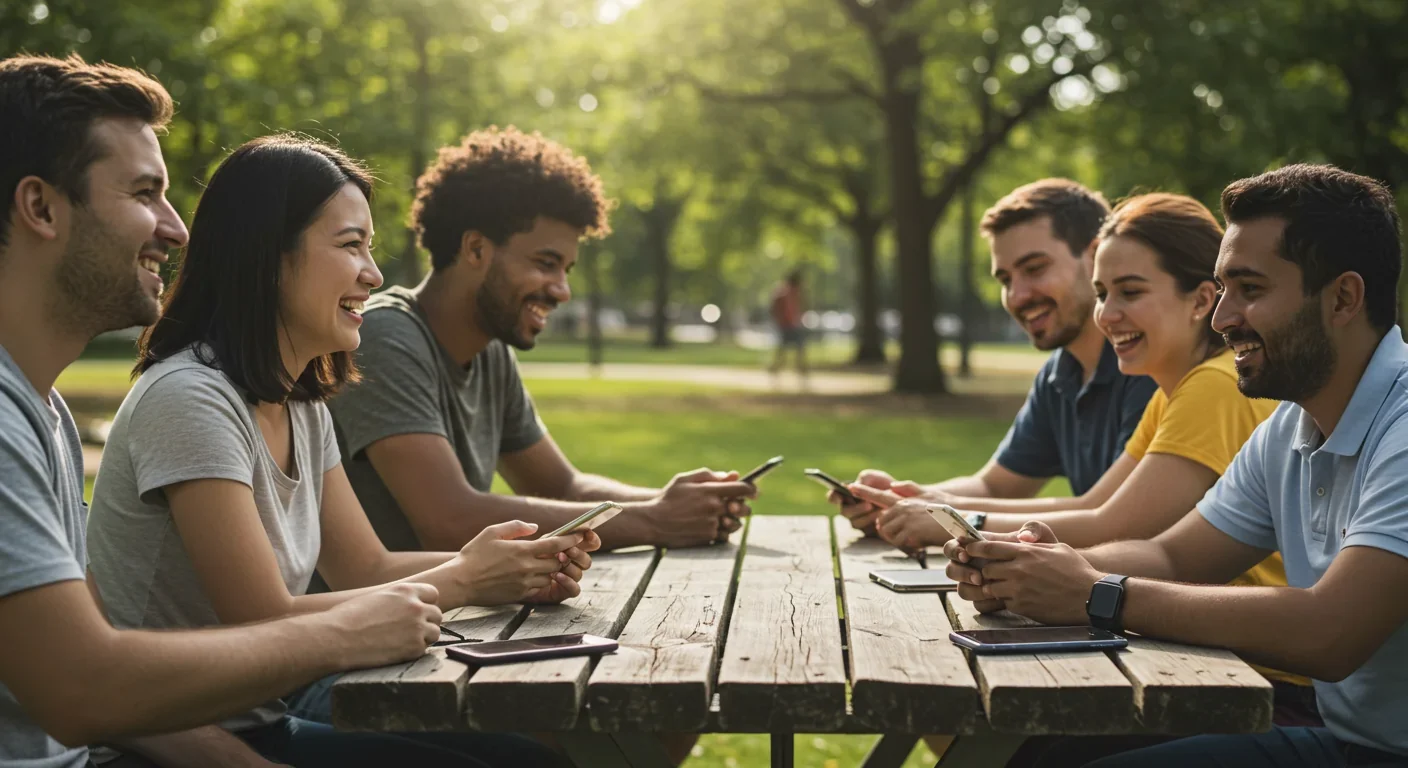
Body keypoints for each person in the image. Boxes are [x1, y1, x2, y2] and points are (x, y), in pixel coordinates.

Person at [84, 134, 594, 767]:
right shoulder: (190, 399)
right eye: (351, 245)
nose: (374, 275)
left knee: (528, 760)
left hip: (259, 720)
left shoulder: (300, 403)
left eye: (371, 249)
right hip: (166, 745)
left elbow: (367, 569)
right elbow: (263, 617)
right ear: (269, 255)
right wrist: (464, 578)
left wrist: (504, 569)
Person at [0, 54, 445, 768]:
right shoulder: (36, 417)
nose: (176, 230)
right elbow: (84, 691)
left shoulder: (40, 412)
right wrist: (348, 632)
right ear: (41, 208)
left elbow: (105, 674)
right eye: (145, 193)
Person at [946, 164, 1408, 768]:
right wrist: (1033, 567)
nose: (1222, 318)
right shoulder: (1288, 428)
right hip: (1345, 741)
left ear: (1344, 297)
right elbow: (1172, 555)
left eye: (1251, 289)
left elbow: (1331, 631)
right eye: (1222, 288)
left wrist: (1095, 592)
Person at [857, 193, 1317, 764]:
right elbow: (1110, 515)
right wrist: (1004, 548)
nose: (1108, 314)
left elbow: (1112, 523)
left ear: (1200, 301)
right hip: (1209, 655)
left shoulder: (1214, 386)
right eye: (1103, 294)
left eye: (1130, 291)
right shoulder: (1174, 392)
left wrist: (960, 525)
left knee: (1019, 742)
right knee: (1009, 734)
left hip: (1253, 676)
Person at [323, 126, 755, 562]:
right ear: (475, 250)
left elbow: (562, 487)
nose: (562, 290)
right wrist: (657, 520)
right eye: (546, 264)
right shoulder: (382, 337)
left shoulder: (490, 351)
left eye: (566, 269)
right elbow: (447, 518)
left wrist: (675, 504)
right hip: (361, 620)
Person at [832, 179, 1158, 535]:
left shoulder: (1149, 367)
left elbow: (1105, 512)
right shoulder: (1059, 375)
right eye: (1005, 279)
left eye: (1034, 269)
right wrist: (900, 501)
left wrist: (937, 514)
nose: (1017, 296)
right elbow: (995, 486)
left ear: (1096, 256)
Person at [769, 268, 807, 379]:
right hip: (786, 324)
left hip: (792, 324)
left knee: (793, 348)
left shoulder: (791, 292)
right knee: (787, 349)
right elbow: (776, 308)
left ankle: (800, 370)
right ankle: (776, 369)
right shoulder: (784, 292)